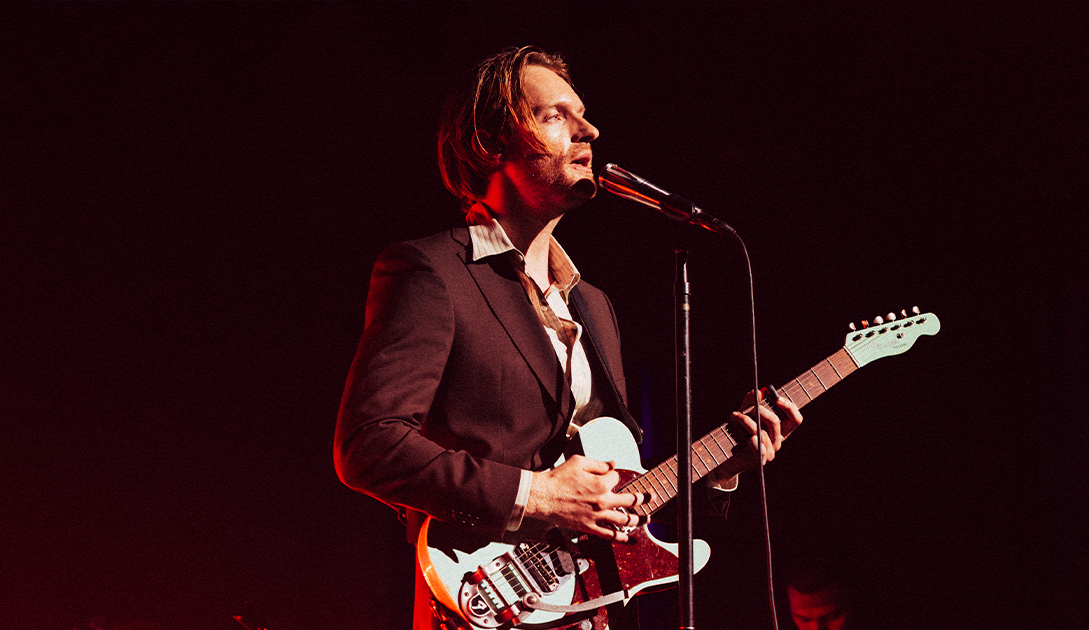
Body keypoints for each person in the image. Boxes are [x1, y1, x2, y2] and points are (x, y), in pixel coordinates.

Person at [334, 46, 803, 630]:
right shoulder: (433, 272)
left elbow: (617, 492)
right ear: (490, 143)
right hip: (481, 602)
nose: (590, 129)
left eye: (580, 113)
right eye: (554, 115)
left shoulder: (593, 305)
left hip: (585, 612)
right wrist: (536, 496)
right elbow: (369, 447)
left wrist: (720, 470)